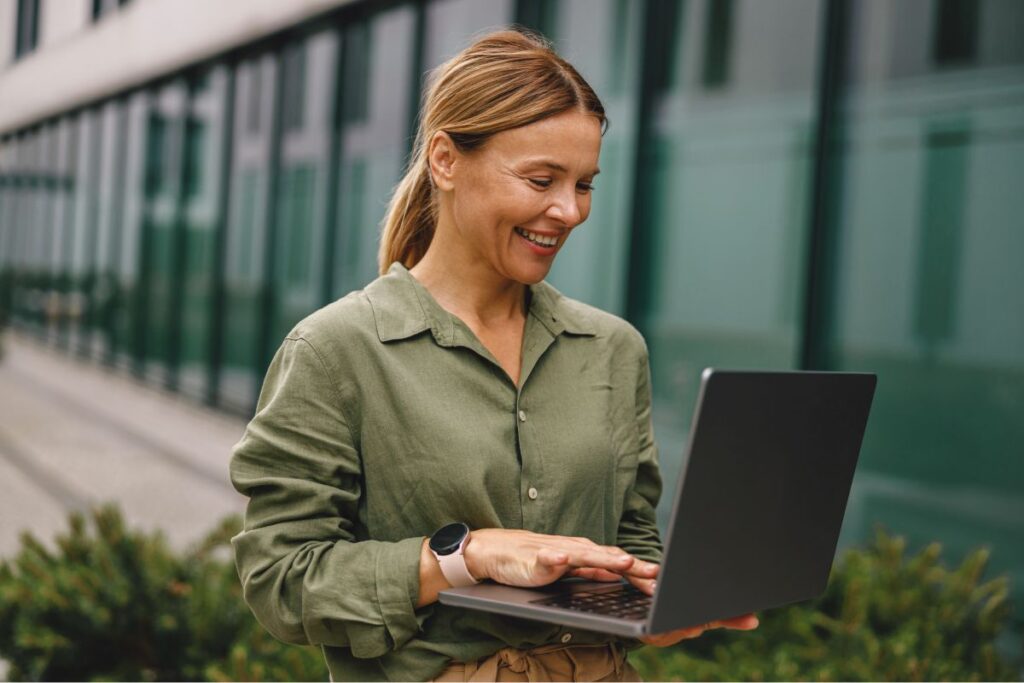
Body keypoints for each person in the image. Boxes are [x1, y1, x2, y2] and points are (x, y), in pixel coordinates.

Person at [229, 28, 757, 682]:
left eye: (585, 184)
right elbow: (280, 579)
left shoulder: (613, 350)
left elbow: (631, 542)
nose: (568, 211)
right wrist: (465, 554)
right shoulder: (337, 350)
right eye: (541, 179)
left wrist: (654, 606)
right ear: (446, 160)